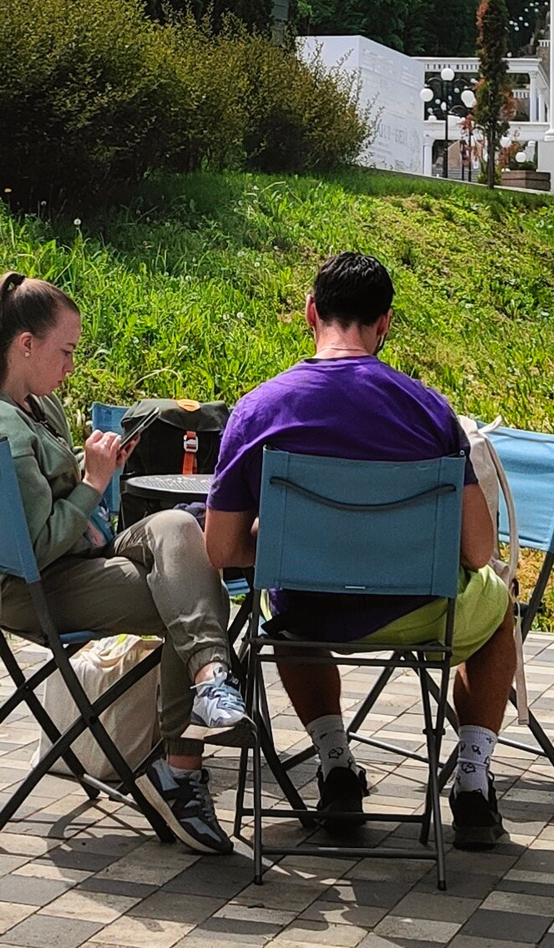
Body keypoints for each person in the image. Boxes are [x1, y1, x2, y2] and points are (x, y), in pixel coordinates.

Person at [205, 247, 517, 853]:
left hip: (308, 616)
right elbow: (479, 550)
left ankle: (336, 767)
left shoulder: (258, 410)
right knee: (499, 606)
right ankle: (473, 779)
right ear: (385, 324)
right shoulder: (428, 409)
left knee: (277, 606)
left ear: (310, 311)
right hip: (418, 610)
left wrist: (292, 539)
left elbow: (220, 549)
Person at [0, 270, 247, 855]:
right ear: (24, 345)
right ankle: (181, 766)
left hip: (81, 562)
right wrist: (96, 481)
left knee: (179, 527)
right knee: (190, 593)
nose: (71, 366)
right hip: (36, 588)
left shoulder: (36, 407)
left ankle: (209, 684)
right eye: (65, 351)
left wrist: (95, 472)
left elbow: (59, 506)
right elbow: (37, 546)